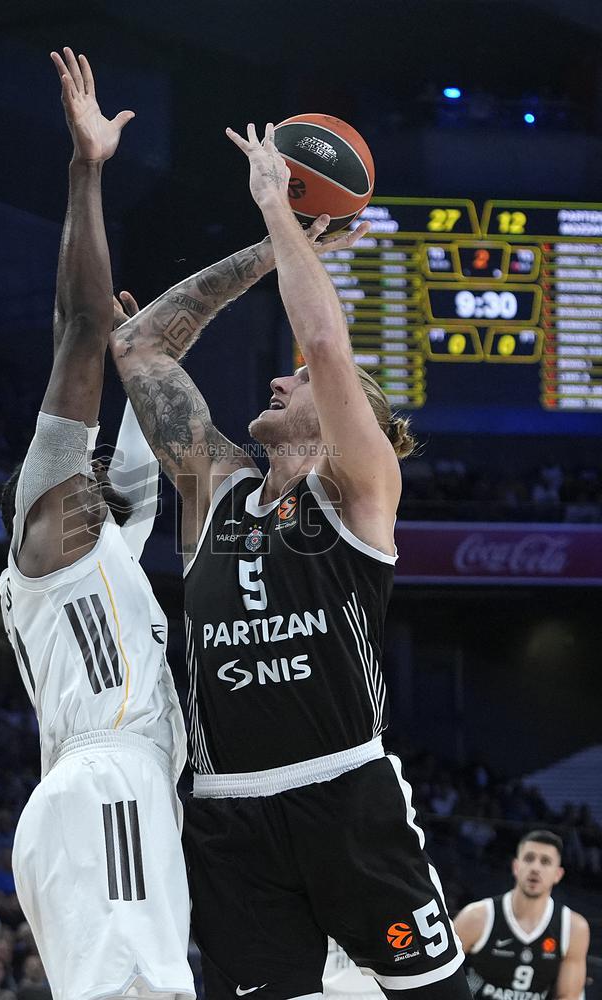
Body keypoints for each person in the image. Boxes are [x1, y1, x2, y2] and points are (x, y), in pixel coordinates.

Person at [110, 122, 468, 1000]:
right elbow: (140, 347)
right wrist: (273, 248)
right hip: (229, 811)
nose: (279, 380)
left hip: (344, 795)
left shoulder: (357, 489)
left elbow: (329, 343)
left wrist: (279, 204)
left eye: (297, 380)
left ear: (355, 419)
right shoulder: (214, 491)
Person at [0, 46, 193, 1000]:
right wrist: (87, 169)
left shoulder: (110, 542)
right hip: (105, 786)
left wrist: (277, 251)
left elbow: (152, 364)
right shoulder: (54, 541)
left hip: (116, 793)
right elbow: (83, 326)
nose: (90, 474)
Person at [454, 830, 589, 999]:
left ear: (558, 874)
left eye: (545, 862)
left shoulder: (574, 928)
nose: (535, 868)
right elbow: (440, 976)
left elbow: (568, 995)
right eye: (529, 858)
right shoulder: (476, 917)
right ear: (516, 867)